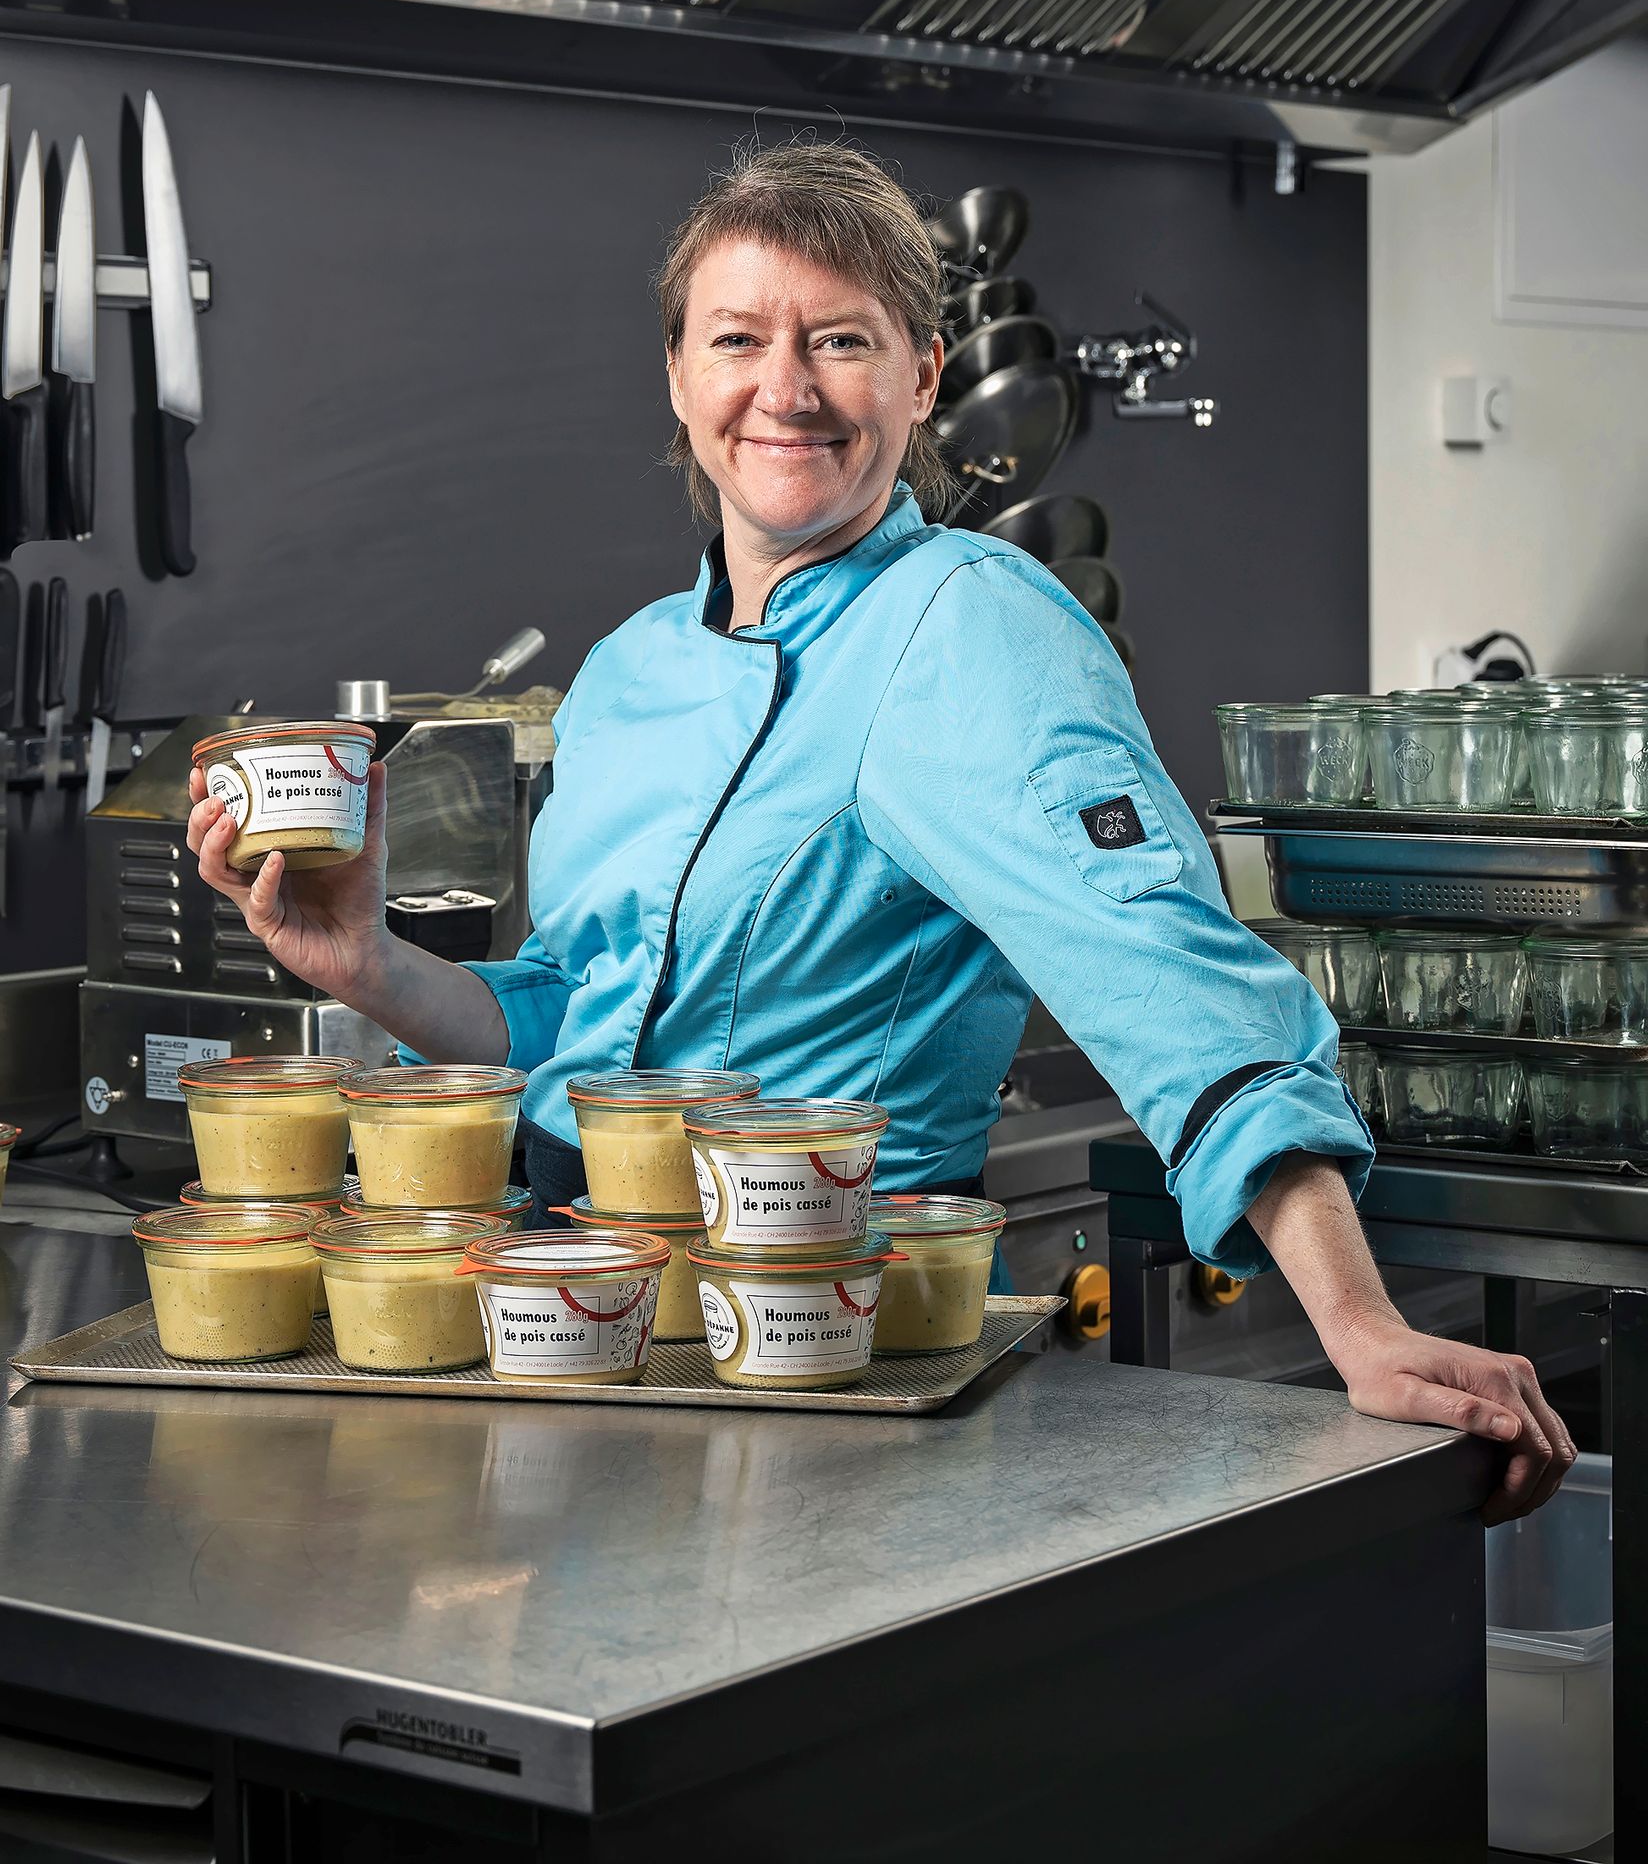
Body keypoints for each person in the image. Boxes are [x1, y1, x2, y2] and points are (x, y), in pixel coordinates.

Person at [188, 140, 1573, 1521]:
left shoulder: (968, 625)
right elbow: (574, 1017)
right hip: (583, 1324)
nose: (784, 389)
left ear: (923, 377)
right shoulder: (624, 674)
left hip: (840, 1344)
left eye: (840, 340)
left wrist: (1359, 1324)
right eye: (737, 339)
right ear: (678, 378)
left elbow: (1170, 975)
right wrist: (371, 966)